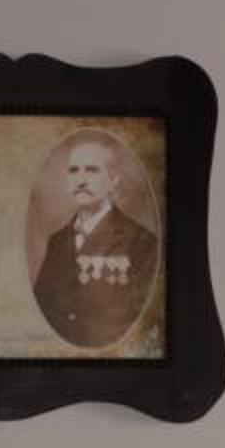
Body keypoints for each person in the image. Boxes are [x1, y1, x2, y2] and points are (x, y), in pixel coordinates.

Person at [29, 132, 160, 350]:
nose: (81, 180)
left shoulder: (141, 241)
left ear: (113, 180)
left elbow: (143, 320)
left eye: (91, 170)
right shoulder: (56, 241)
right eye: (74, 171)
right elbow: (41, 308)